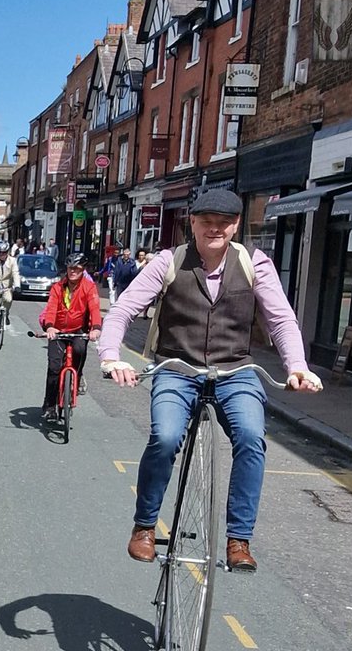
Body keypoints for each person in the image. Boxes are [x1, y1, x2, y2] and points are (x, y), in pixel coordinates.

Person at [100, 188, 322, 572]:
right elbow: (123, 310)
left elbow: (281, 319)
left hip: (235, 371)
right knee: (165, 436)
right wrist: (110, 356)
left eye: (224, 222)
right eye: (207, 221)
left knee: (251, 437)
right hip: (178, 368)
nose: (215, 229)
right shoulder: (169, 261)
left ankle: (239, 538)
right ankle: (145, 526)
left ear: (236, 225)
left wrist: (297, 366)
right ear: (193, 223)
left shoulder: (255, 263)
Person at [38, 254, 101, 421]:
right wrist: (49, 326)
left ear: (83, 270)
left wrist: (95, 328)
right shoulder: (57, 287)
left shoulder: (89, 287)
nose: (73, 272)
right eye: (70, 268)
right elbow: (51, 308)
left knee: (80, 350)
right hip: (58, 330)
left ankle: (77, 377)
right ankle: (49, 405)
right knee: (54, 367)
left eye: (77, 269)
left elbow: (94, 308)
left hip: (78, 330)